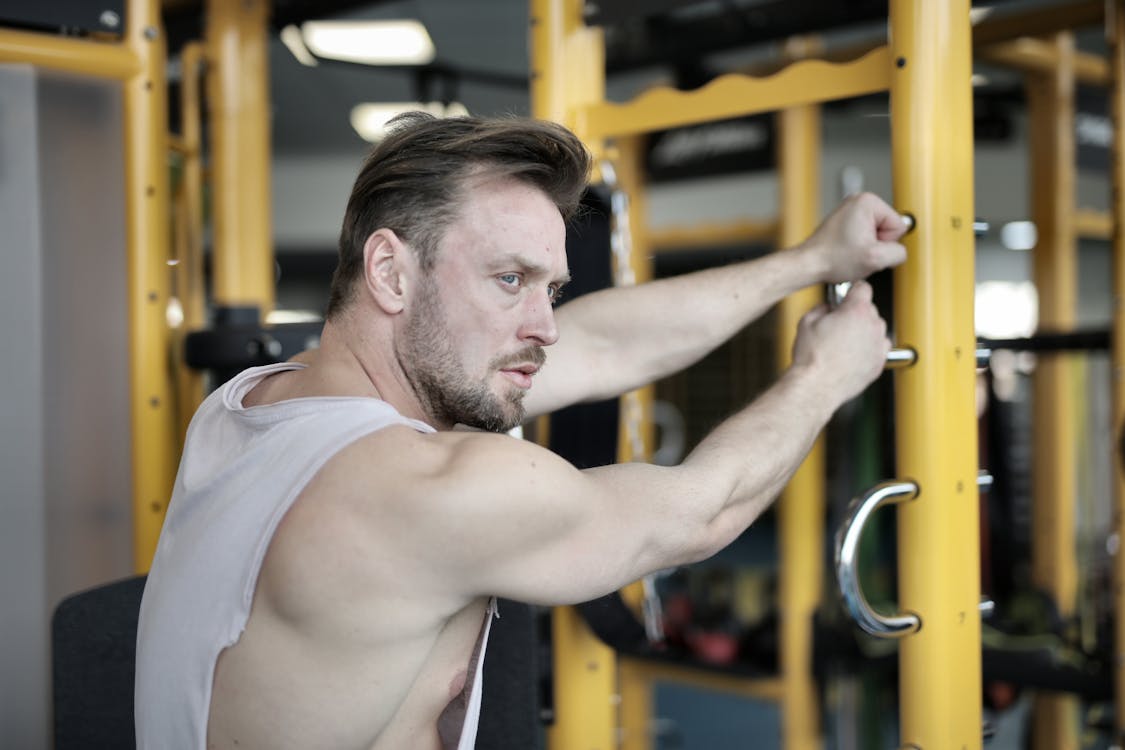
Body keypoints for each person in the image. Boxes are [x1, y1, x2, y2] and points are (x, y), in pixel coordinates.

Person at [135, 111, 907, 750]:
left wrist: (810, 261)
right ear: (390, 272)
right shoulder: (431, 491)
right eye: (509, 280)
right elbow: (701, 512)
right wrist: (824, 377)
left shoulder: (255, 403)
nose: (542, 326)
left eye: (550, 289)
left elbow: (602, 343)